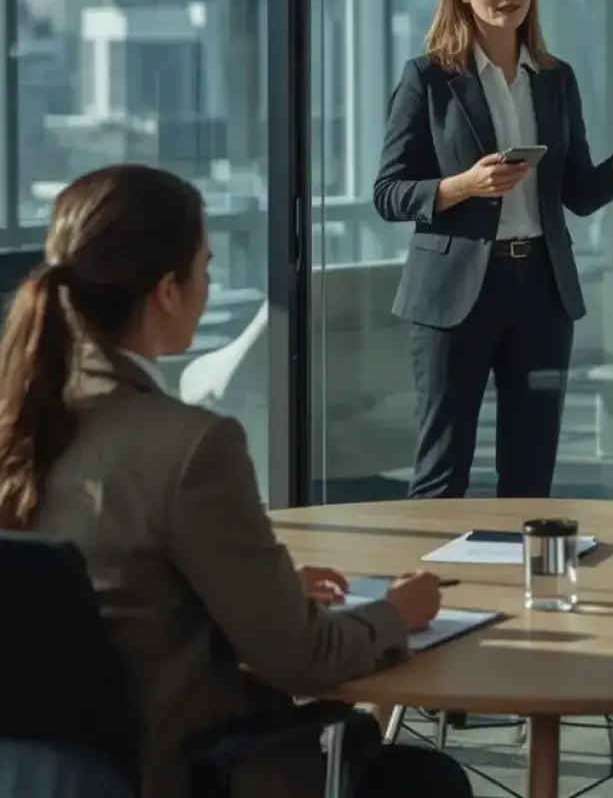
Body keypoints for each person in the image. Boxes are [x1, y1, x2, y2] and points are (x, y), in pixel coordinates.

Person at [0, 164, 471, 798]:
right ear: (169, 289)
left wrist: (259, 592)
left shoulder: (22, 426)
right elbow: (304, 658)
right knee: (423, 780)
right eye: (206, 265)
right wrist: (396, 612)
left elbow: (108, 603)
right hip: (185, 771)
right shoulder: (192, 446)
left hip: (45, 775)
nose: (209, 282)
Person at [375, 0, 613, 499]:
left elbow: (579, 195)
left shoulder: (555, 79)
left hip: (541, 291)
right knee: (442, 474)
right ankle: (425, 590)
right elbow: (388, 192)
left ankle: (517, 587)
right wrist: (464, 184)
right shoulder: (428, 79)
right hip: (455, 295)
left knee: (530, 476)